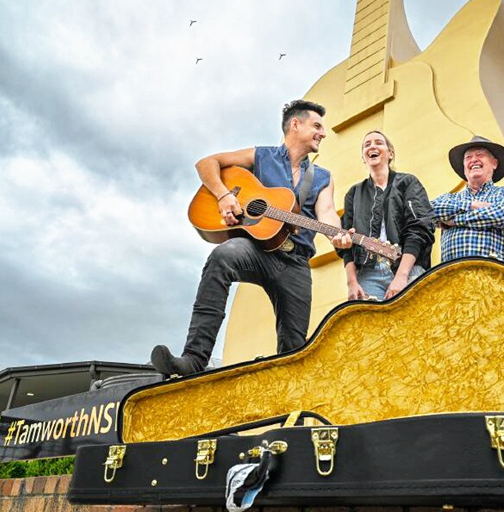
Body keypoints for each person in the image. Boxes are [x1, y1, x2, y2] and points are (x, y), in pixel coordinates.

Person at [151, 99, 353, 376]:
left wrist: (337, 236)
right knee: (223, 255)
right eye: (317, 125)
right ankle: (193, 359)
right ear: (296, 124)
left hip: (295, 263)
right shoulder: (261, 156)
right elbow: (206, 163)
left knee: (294, 346)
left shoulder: (322, 177)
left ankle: (283, 396)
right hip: (257, 251)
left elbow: (327, 212)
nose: (323, 133)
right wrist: (223, 195)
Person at [340, 130, 434, 301]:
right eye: (367, 145)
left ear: (390, 153)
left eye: (378, 142)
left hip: (409, 267)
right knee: (370, 326)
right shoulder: (353, 194)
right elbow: (346, 244)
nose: (372, 146)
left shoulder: (408, 182)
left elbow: (419, 229)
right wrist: (351, 282)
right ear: (363, 157)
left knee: (415, 322)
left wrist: (401, 276)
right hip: (369, 273)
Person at [431, 136, 504, 267]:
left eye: (480, 155)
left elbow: (502, 215)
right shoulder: (450, 198)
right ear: (464, 167)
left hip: (496, 276)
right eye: (468, 158)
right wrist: (471, 205)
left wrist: (454, 221)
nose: (473, 160)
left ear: (494, 163)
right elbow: (428, 210)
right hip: (453, 278)